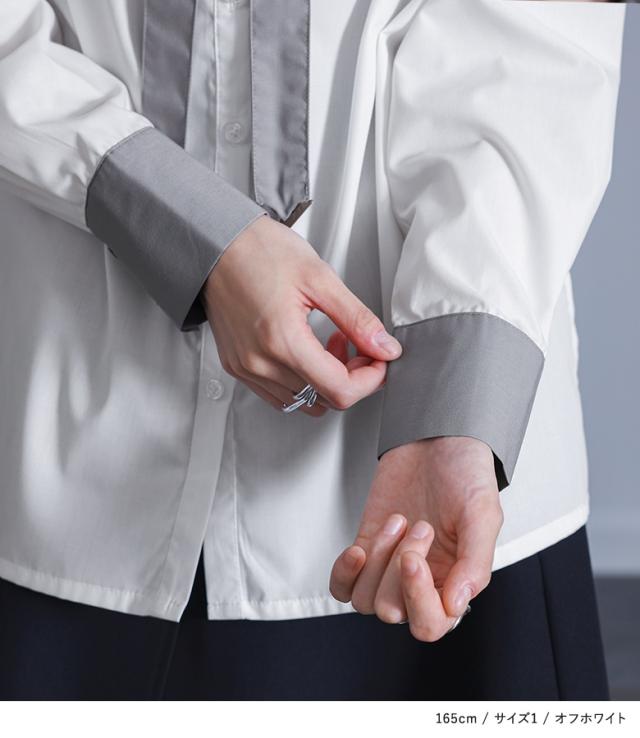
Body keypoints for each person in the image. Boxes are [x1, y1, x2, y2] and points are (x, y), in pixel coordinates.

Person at [0, 0, 625, 699]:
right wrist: (189, 230)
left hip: (435, 500)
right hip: (65, 464)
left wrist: (454, 399)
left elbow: (535, 49)